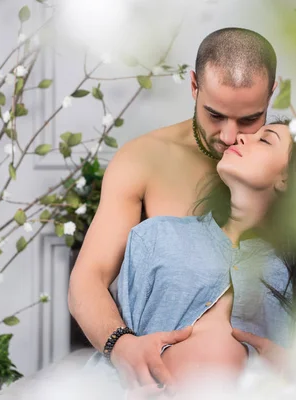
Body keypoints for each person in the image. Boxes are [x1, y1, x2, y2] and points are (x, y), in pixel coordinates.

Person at [68, 27, 281, 389]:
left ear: (272, 92)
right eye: (215, 115)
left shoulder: (290, 167)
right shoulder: (144, 160)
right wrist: (120, 345)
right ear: (194, 85)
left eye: (249, 119)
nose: (229, 136)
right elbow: (88, 279)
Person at [88, 120, 296, 396]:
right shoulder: (156, 236)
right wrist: (122, 348)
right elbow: (119, 345)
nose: (240, 137)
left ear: (288, 179)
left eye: (265, 140)